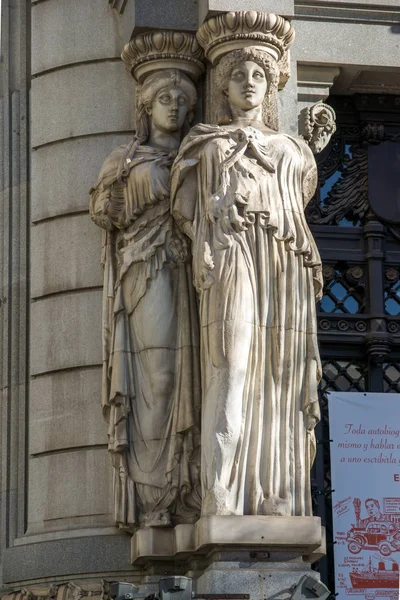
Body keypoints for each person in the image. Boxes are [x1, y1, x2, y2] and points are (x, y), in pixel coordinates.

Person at [171, 48, 322, 518]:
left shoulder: (292, 148)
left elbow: (300, 195)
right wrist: (215, 209)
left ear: (273, 85)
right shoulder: (205, 143)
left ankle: (271, 495)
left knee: (278, 377)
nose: (250, 82)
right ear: (224, 86)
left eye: (260, 75)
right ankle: (221, 493)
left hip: (283, 258)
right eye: (239, 75)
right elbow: (185, 208)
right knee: (232, 367)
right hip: (231, 253)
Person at [90, 69, 201, 530]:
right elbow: (103, 212)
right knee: (159, 375)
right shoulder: (126, 159)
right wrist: (115, 197)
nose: (173, 105)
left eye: (181, 98)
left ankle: (187, 482)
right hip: (145, 266)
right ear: (146, 108)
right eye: (164, 98)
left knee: (195, 376)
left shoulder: (200, 150)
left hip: (195, 267)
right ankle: (155, 493)